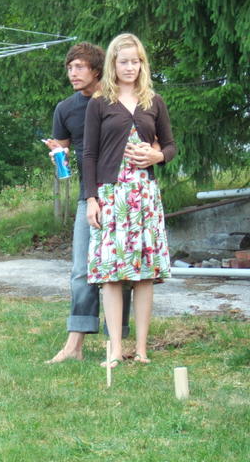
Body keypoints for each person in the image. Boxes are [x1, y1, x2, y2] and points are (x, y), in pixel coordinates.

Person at [83, 33, 176, 367]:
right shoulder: (99, 103)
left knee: (144, 275)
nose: (130, 67)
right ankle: (114, 349)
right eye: (124, 61)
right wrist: (91, 199)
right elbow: (89, 154)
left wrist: (157, 157)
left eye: (135, 61)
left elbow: (170, 146)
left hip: (145, 195)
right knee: (111, 273)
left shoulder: (154, 101)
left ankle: (141, 350)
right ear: (113, 63)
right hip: (111, 194)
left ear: (142, 63)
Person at [45, 42, 135, 364]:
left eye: (79, 67)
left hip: (122, 194)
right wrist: (58, 153)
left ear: (97, 70)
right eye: (70, 68)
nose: (73, 73)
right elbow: (63, 147)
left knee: (121, 269)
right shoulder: (65, 109)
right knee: (81, 271)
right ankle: (75, 344)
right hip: (89, 196)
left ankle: (117, 342)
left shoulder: (118, 100)